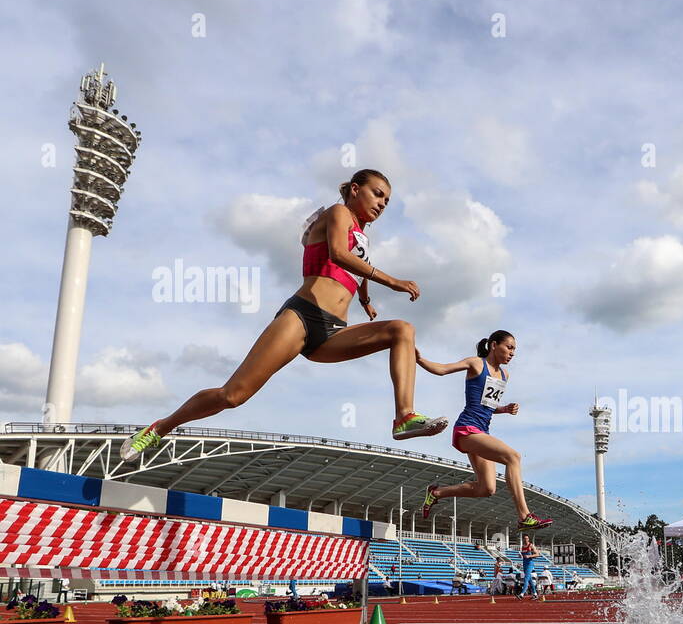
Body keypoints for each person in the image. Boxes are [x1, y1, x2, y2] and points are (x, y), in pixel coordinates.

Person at [120, 169, 447, 461]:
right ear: (355, 189)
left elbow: (354, 266)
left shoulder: (362, 235)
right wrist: (391, 281)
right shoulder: (338, 212)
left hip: (334, 332)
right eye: (377, 194)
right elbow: (337, 253)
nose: (382, 204)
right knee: (233, 395)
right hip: (303, 317)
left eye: (387, 201)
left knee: (402, 330)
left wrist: (365, 299)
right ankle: (161, 426)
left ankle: (404, 417)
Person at [417, 330, 552, 531]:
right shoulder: (476, 363)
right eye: (509, 347)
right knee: (513, 457)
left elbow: (487, 404)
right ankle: (524, 515)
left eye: (514, 349)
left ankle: (436, 493)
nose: (513, 353)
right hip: (466, 430)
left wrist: (504, 409)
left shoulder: (505, 374)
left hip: (482, 432)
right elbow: (443, 369)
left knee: (486, 488)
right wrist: (419, 359)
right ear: (494, 345)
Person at [517, 535, 538, 599]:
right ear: (523, 539)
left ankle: (522, 594)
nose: (526, 540)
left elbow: (537, 554)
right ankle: (535, 594)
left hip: (530, 564)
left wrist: (529, 556)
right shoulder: (522, 547)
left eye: (527, 538)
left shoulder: (531, 545)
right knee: (530, 580)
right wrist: (520, 556)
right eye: (525, 538)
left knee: (526, 578)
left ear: (528, 539)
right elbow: (523, 555)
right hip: (524, 564)